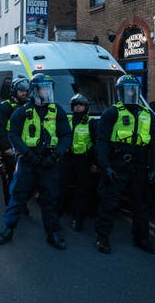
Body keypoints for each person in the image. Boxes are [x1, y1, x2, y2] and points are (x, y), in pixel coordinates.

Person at [0, 73, 72, 250]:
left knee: (50, 198)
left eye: (48, 89)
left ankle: (53, 233)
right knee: (18, 196)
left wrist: (55, 156)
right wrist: (28, 154)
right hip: (28, 162)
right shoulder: (22, 112)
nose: (46, 92)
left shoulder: (57, 110)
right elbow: (13, 134)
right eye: (43, 89)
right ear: (34, 90)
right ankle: (7, 229)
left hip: (49, 162)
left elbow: (66, 135)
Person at [94, 75, 155, 254]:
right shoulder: (111, 112)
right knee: (109, 202)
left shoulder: (148, 115)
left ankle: (142, 238)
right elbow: (101, 142)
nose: (131, 93)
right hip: (117, 164)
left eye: (134, 89)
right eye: (127, 90)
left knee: (141, 204)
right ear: (120, 92)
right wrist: (105, 166)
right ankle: (102, 237)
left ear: (138, 91)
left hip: (140, 166)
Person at [60, 93, 98, 231]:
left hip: (84, 161)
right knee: (61, 188)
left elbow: (96, 145)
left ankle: (78, 219)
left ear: (85, 107)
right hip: (67, 159)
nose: (77, 107)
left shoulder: (92, 123)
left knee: (82, 192)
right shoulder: (67, 120)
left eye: (80, 105)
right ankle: (57, 216)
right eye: (75, 105)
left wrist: (95, 163)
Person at [0, 77, 29, 206]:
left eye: (26, 91)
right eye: (21, 91)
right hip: (10, 147)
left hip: (24, 146)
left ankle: (21, 204)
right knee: (10, 176)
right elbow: (0, 128)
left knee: (24, 178)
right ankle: (9, 203)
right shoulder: (5, 106)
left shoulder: (28, 106)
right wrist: (6, 148)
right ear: (14, 91)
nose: (24, 93)